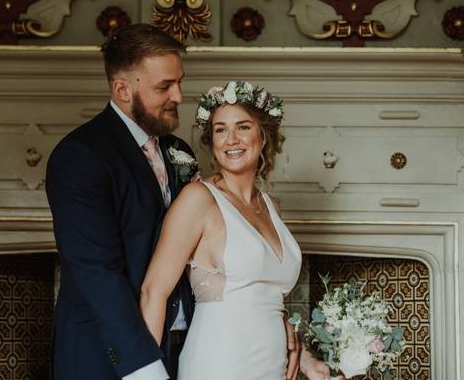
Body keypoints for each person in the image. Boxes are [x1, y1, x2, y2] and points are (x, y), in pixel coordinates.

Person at [139, 81, 339, 380]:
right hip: (219, 363)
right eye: (220, 129)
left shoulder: (272, 207)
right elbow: (153, 291)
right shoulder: (198, 200)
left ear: (263, 136)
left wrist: (307, 360)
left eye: (243, 127)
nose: (231, 139)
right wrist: (147, 375)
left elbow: (268, 298)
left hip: (274, 366)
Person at [45, 24, 198, 380]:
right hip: (107, 354)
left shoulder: (179, 152)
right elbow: (96, 272)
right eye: (165, 86)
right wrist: (144, 368)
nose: (179, 95)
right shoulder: (80, 155)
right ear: (122, 89)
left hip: (180, 347)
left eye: (180, 82)